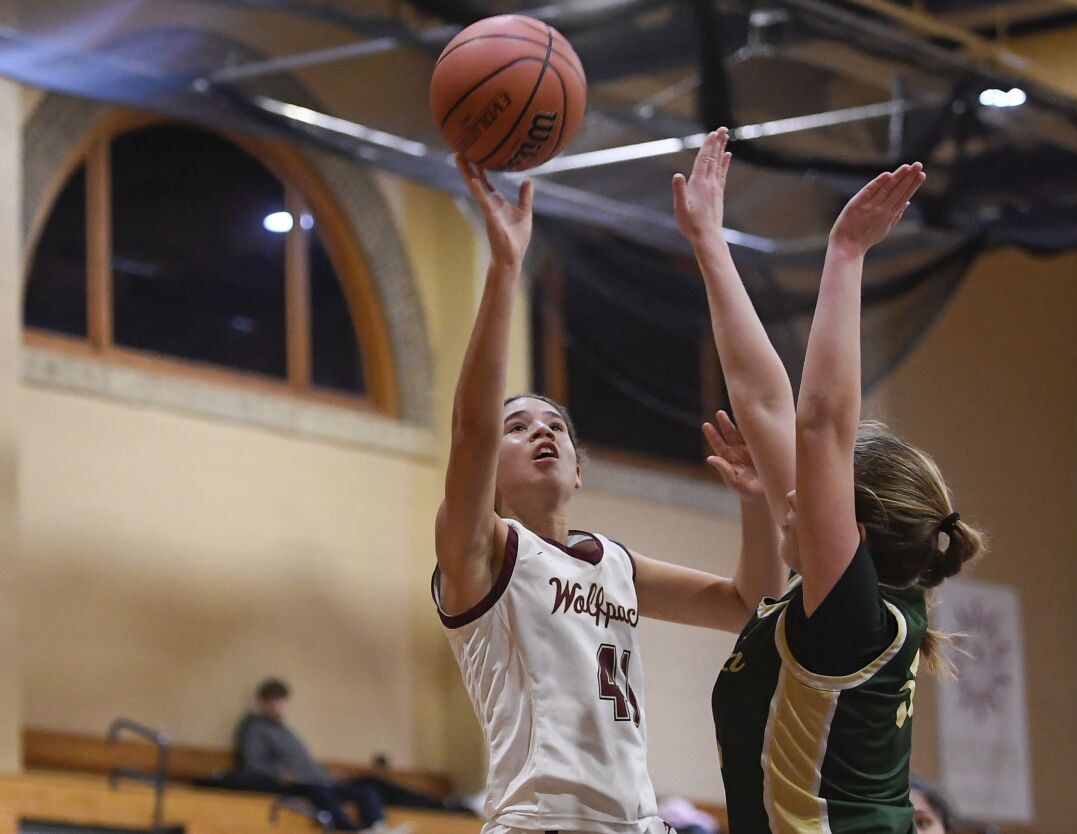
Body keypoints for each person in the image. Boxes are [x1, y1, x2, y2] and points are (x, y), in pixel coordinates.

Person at [434, 157, 786, 834]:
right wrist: (505, 267)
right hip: (541, 821)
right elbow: (470, 431)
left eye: (555, 427)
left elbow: (751, 606)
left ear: (577, 472)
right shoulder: (481, 552)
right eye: (518, 427)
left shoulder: (614, 564)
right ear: (489, 472)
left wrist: (754, 502)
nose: (541, 432)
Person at [673, 128, 986, 834]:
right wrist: (708, 243)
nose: (790, 497)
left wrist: (846, 254)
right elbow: (765, 405)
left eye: (810, 496)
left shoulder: (850, 616)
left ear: (855, 532)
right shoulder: (841, 603)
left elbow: (819, 424)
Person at [233, 679, 407, 833]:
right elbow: (253, 763)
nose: (279, 708)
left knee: (367, 790)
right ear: (262, 703)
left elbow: (306, 762)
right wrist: (278, 775)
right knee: (320, 792)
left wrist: (329, 775)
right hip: (298, 783)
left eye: (282, 703)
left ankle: (377, 828)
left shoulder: (285, 730)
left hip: (319, 779)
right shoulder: (254, 729)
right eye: (274, 703)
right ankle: (348, 830)